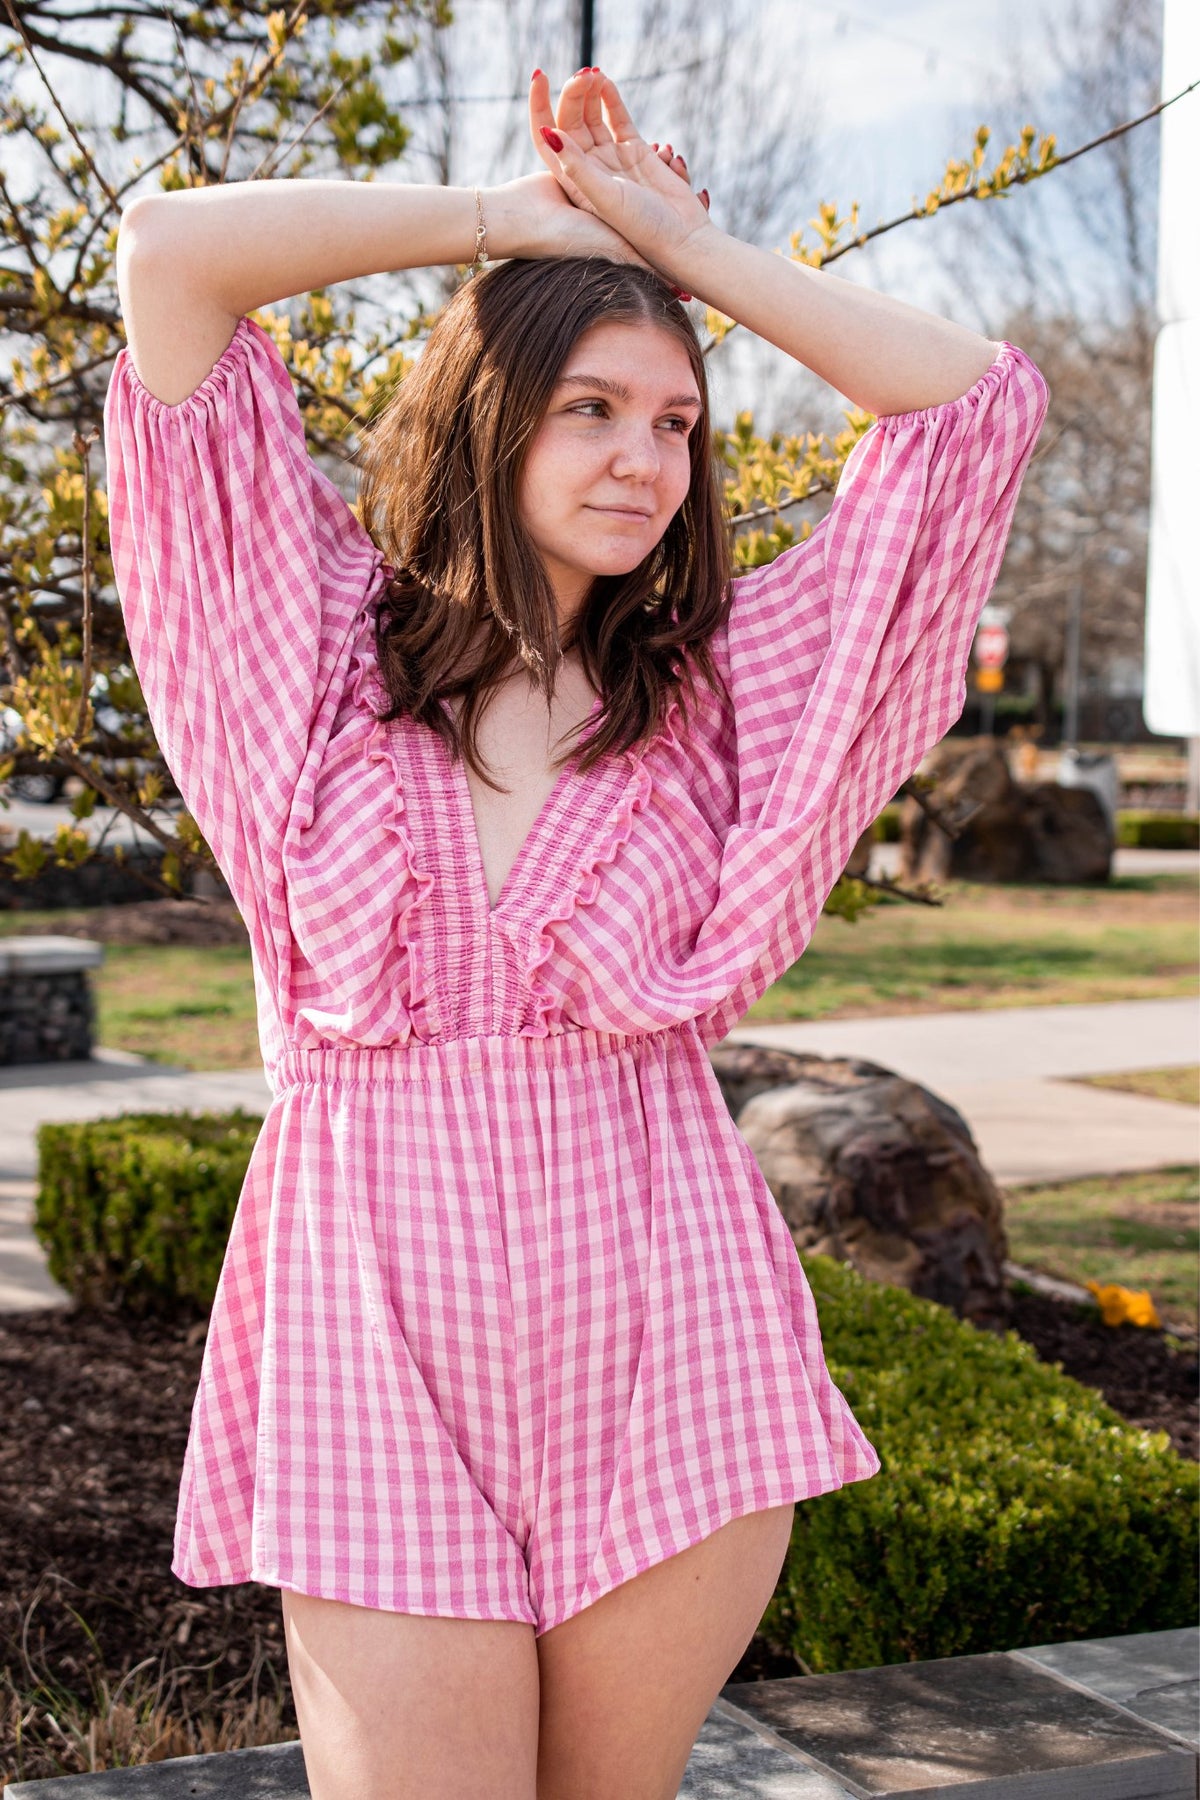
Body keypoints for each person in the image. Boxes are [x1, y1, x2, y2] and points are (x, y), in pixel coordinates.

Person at [103, 65, 1048, 1800]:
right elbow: (169, 256)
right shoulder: (313, 650)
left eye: (677, 423)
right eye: (592, 409)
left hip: (667, 1332)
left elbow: (976, 408)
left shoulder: (719, 699)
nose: (644, 459)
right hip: (372, 1327)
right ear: (492, 418)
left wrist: (678, 244)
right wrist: (515, 222)